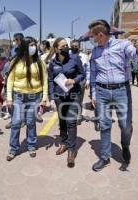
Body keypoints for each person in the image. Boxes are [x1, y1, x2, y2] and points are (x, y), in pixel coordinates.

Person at [89, 20, 138, 171]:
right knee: (104, 125)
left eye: (94, 36)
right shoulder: (95, 51)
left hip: (122, 91)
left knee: (125, 125)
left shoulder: (123, 45)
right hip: (102, 92)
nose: (93, 40)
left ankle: (125, 146)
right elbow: (93, 74)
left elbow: (135, 57)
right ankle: (105, 156)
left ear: (100, 35)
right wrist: (94, 93)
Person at [6, 36, 48, 161]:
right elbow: (10, 80)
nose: (33, 47)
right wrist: (9, 97)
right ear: (24, 46)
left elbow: (44, 80)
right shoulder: (15, 61)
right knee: (16, 122)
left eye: (34, 45)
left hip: (35, 96)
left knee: (30, 122)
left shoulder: (40, 62)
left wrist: (44, 97)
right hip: (18, 96)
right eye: (31, 45)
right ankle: (13, 148)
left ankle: (31, 145)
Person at [48, 37, 85, 168]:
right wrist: (52, 97)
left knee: (71, 121)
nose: (65, 48)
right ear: (56, 49)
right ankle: (63, 143)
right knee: (62, 121)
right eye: (62, 46)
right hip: (59, 96)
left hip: (73, 95)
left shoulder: (74, 59)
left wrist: (74, 80)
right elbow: (51, 80)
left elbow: (82, 74)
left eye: (66, 45)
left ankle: (71, 150)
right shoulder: (53, 63)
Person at [70, 40, 90, 125]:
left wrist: (88, 80)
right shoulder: (68, 56)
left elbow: (88, 69)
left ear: (79, 47)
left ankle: (78, 116)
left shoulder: (84, 56)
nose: (74, 47)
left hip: (81, 81)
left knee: (79, 99)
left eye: (76, 46)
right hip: (70, 81)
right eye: (73, 46)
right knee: (70, 99)